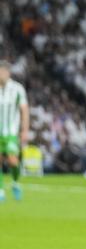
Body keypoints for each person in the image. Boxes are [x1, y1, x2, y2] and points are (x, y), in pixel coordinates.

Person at [0, 60, 29, 203]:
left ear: (8, 72)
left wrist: (24, 130)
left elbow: (24, 110)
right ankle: (0, 191)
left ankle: (16, 183)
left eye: (3, 71)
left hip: (11, 132)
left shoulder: (17, 89)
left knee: (12, 160)